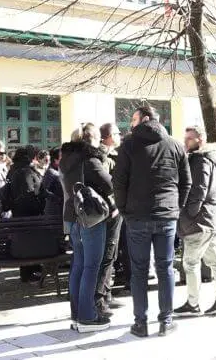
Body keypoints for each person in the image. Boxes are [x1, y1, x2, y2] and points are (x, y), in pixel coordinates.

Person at [113, 106, 191, 337]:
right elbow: (186, 182)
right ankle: (166, 321)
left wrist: (124, 209)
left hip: (137, 216)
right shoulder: (175, 145)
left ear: (145, 119)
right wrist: (176, 207)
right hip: (166, 215)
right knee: (165, 267)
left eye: (134, 119)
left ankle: (141, 322)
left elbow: (119, 181)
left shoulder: (128, 145)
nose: (131, 124)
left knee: (138, 271)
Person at [61, 124, 116, 332]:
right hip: (90, 218)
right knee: (91, 267)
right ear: (89, 139)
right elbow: (110, 184)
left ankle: (77, 316)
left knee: (78, 266)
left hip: (72, 217)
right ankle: (87, 317)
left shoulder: (66, 159)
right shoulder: (90, 160)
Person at [174, 126, 216, 316]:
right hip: (210, 219)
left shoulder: (200, 161)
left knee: (190, 263)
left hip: (199, 221)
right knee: (215, 261)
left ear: (200, 140)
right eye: (185, 137)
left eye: (189, 138)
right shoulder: (212, 159)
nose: (185, 141)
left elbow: (198, 189)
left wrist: (189, 213)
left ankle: (193, 304)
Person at [92, 123, 125, 317]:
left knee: (110, 254)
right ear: (109, 136)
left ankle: (106, 293)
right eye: (117, 133)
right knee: (107, 253)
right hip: (108, 212)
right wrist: (115, 204)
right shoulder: (102, 156)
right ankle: (100, 297)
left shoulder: (110, 154)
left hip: (110, 210)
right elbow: (106, 185)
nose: (120, 136)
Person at [7, 145, 46, 282]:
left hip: (19, 213)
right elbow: (28, 193)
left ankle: (30, 270)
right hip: (29, 214)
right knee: (29, 242)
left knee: (25, 242)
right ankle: (29, 272)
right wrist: (40, 205)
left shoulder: (15, 168)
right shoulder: (25, 171)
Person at [41, 147, 63, 217]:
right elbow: (44, 191)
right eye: (62, 157)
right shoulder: (51, 173)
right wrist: (60, 200)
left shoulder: (59, 171)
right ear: (56, 160)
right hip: (55, 213)